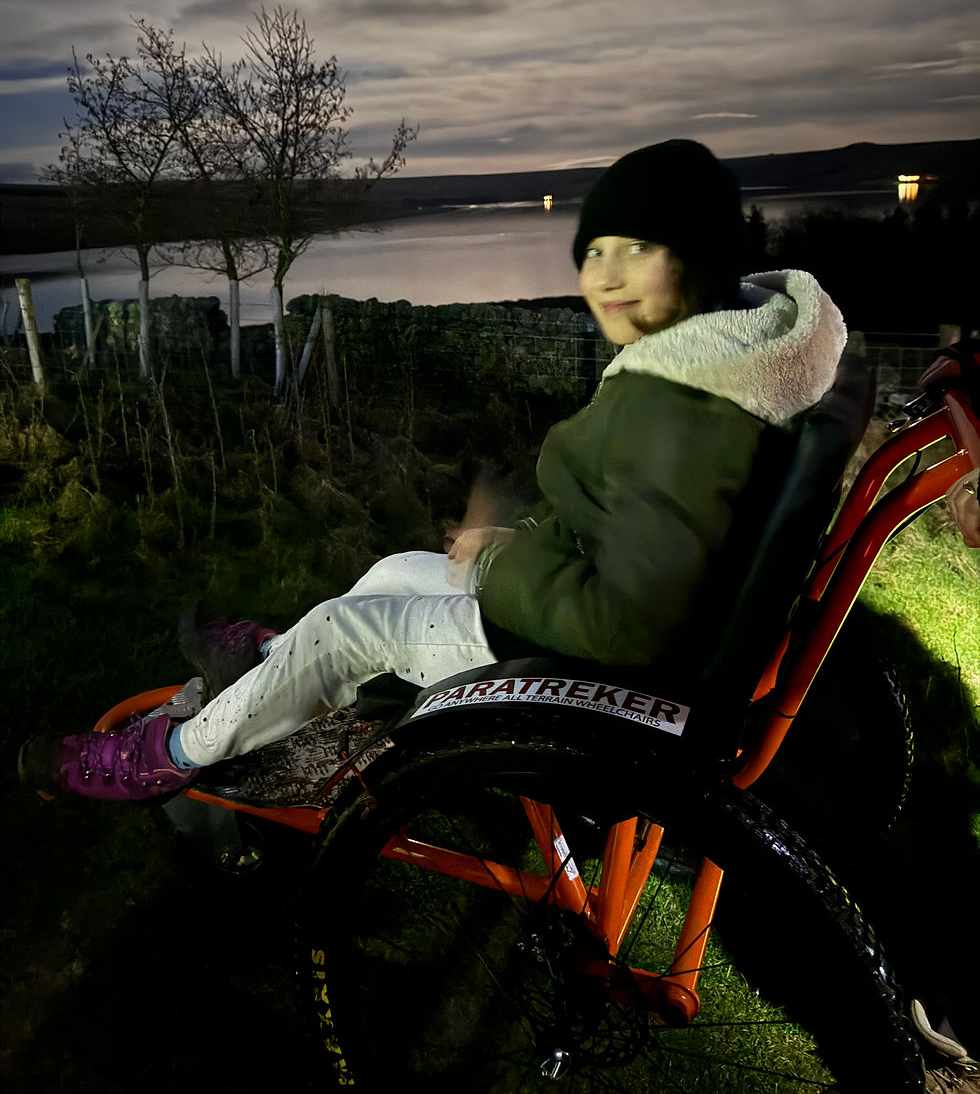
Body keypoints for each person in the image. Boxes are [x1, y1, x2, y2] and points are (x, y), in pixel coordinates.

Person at [20, 138, 976, 1088]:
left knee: (348, 628)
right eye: (594, 250)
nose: (602, 275)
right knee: (399, 564)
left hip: (584, 654)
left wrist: (507, 562)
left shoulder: (677, 402)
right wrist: (514, 542)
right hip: (619, 615)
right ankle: (278, 675)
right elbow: (638, 531)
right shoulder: (749, 352)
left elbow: (624, 616)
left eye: (631, 250)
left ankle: (165, 756)